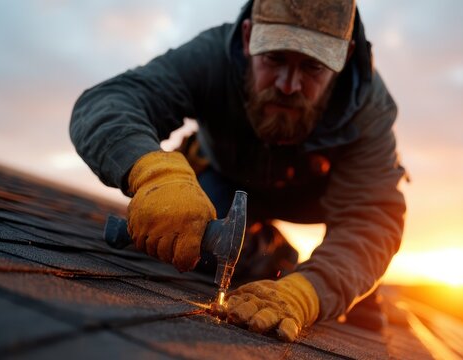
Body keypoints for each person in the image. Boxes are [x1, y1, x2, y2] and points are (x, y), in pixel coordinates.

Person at [70, 0, 406, 342]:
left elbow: (371, 218)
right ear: (248, 37)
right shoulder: (211, 55)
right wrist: (154, 173)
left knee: (355, 304)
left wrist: (309, 292)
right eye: (274, 58)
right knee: (192, 243)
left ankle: (328, 281)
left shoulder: (370, 110)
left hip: (312, 200)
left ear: (344, 58)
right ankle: (272, 254)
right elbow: (109, 102)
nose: (289, 85)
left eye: (313, 67)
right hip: (226, 178)